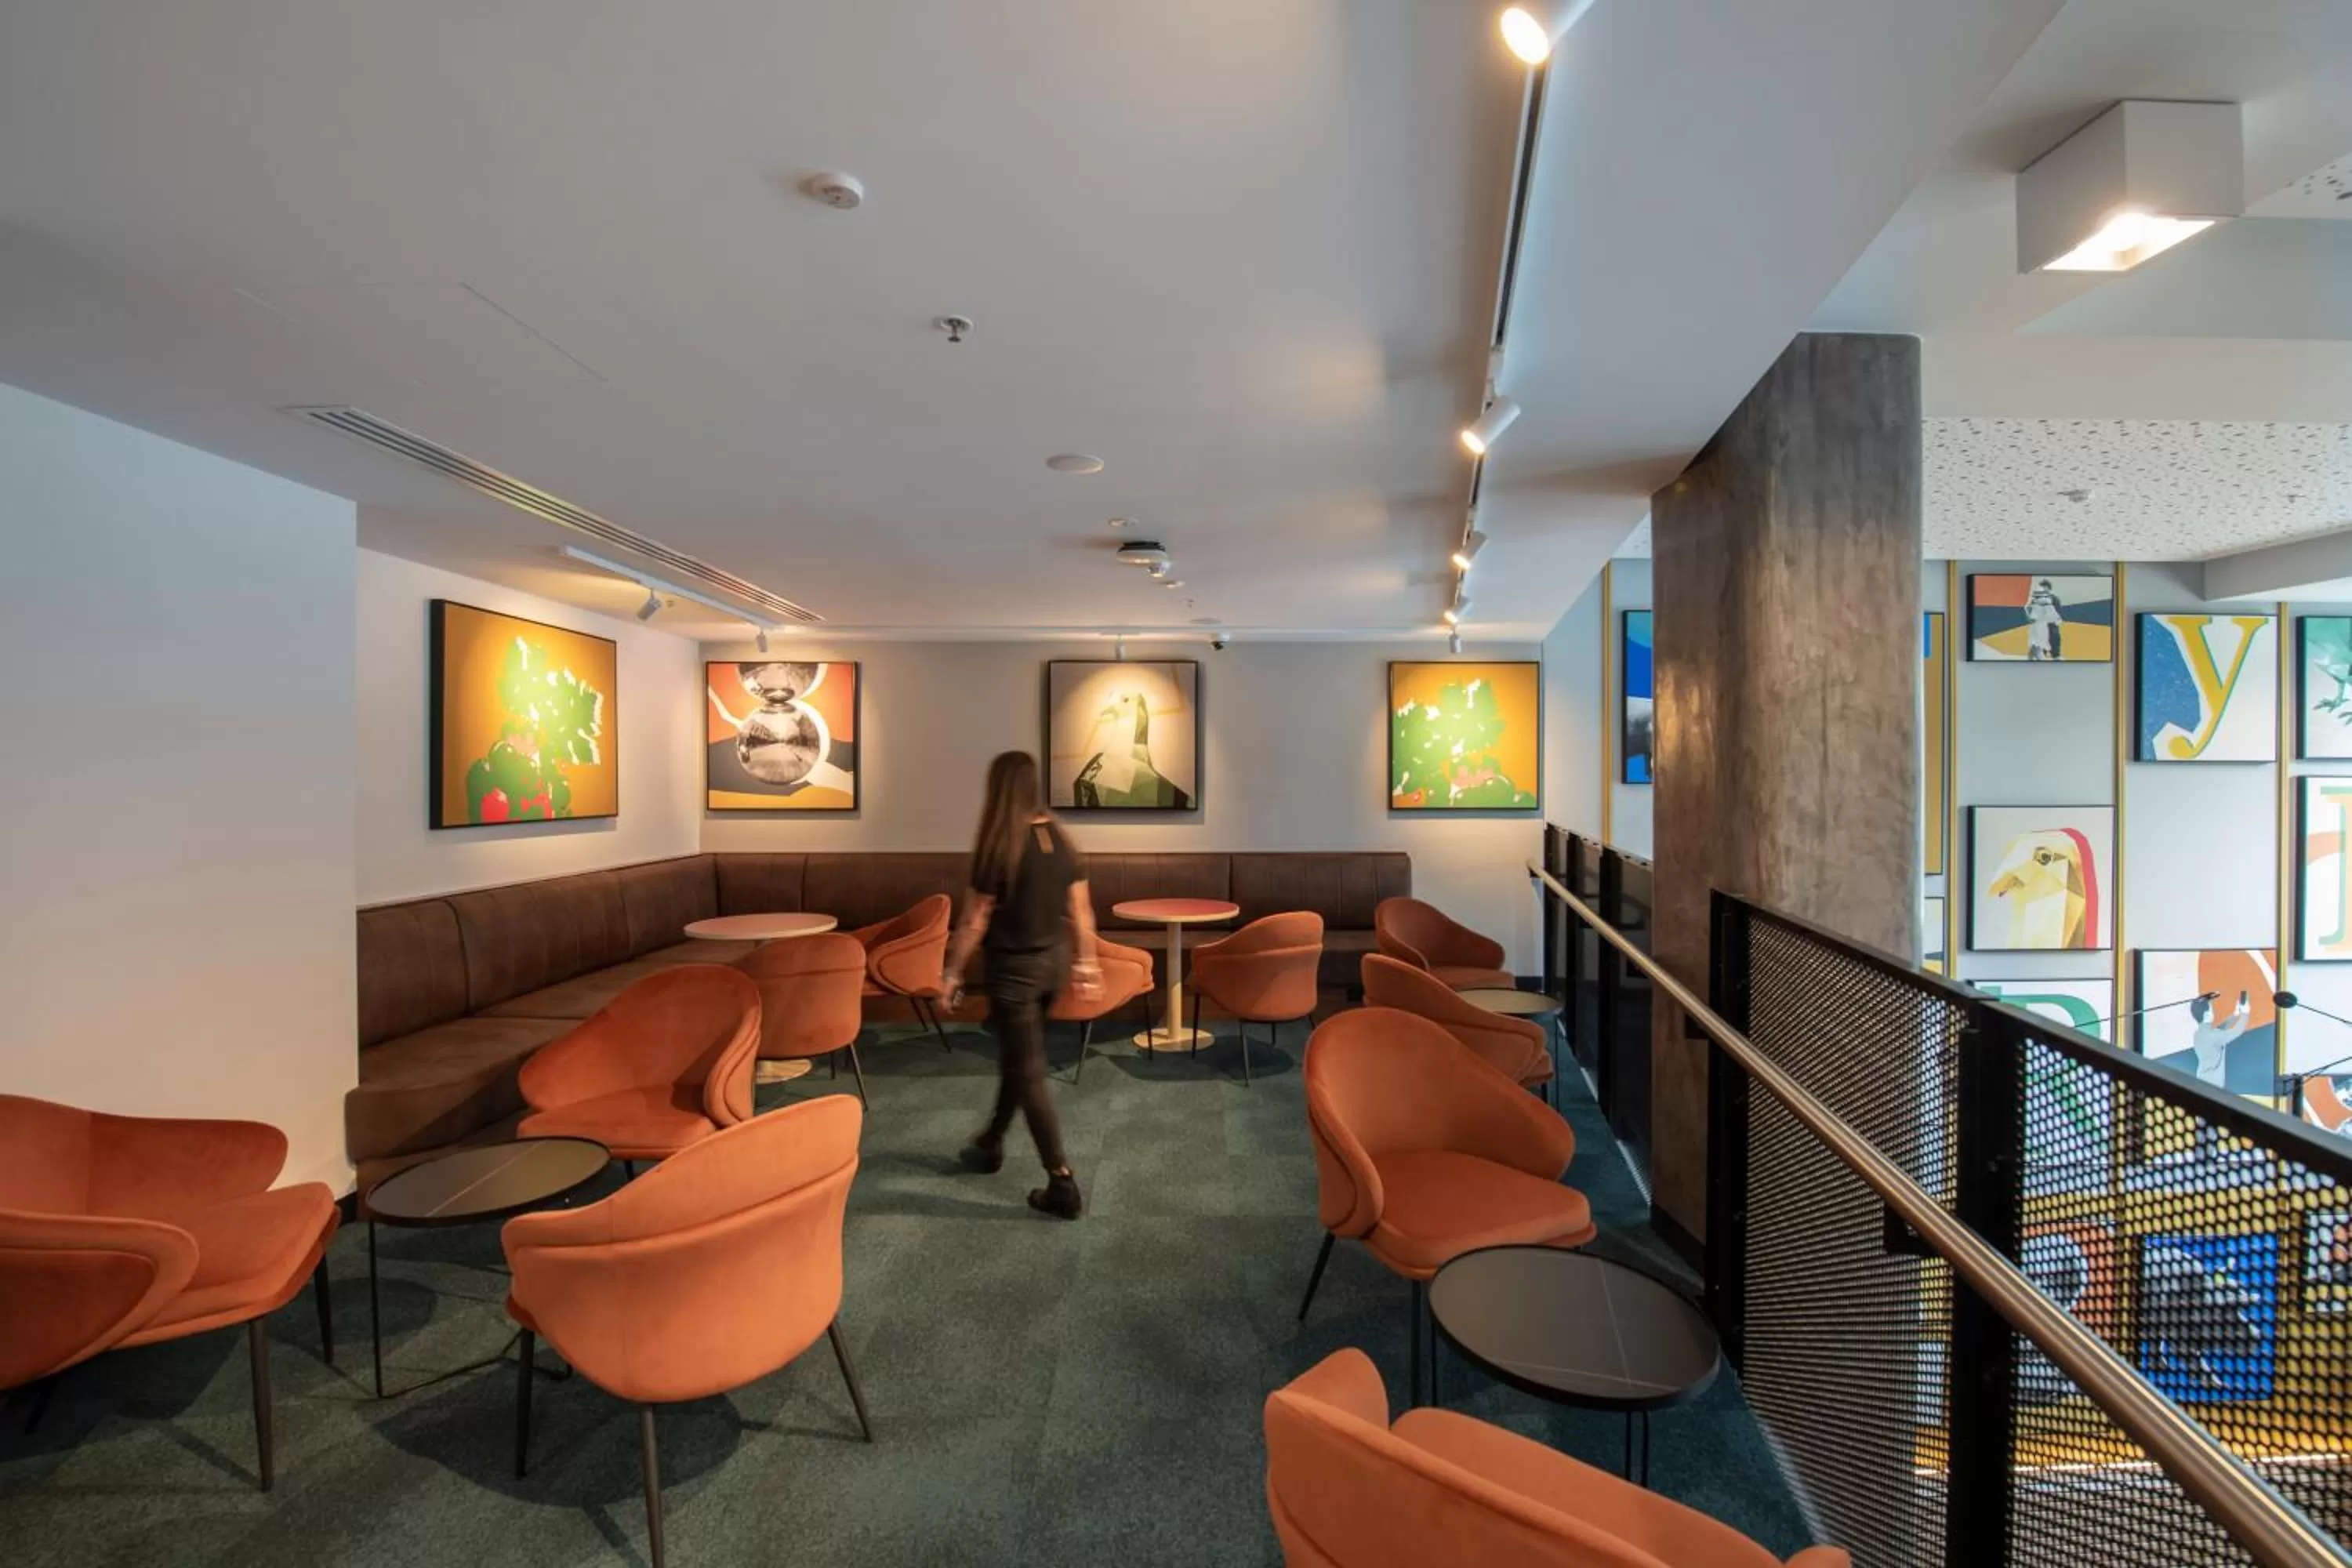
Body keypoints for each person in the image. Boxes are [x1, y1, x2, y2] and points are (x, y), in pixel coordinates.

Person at [940, 750, 1102, 1218]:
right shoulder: (1059, 839)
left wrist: (952, 973)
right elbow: (1081, 911)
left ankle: (1062, 1182)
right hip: (1053, 965)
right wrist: (1087, 964)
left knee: (1028, 1069)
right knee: (1020, 1059)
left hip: (1013, 972)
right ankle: (990, 1142)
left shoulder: (999, 844)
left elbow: (973, 920)